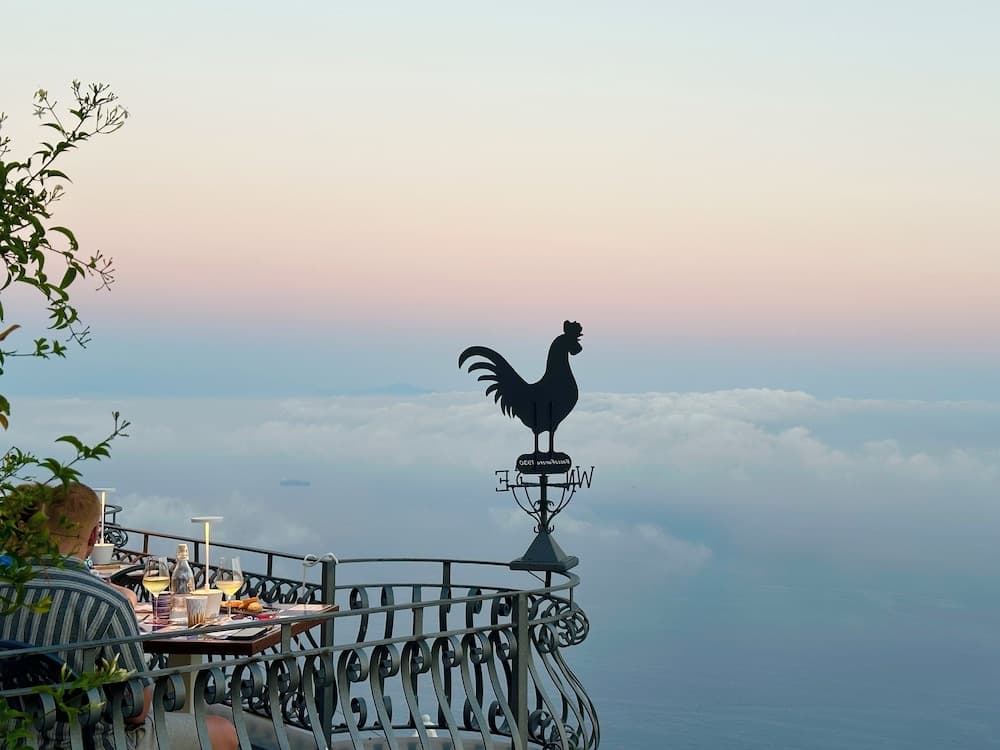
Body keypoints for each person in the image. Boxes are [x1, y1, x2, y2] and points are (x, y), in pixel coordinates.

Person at [0, 482, 238, 750]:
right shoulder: (107, 603)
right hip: (90, 740)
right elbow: (137, 708)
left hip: (13, 738)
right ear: (93, 536)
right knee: (224, 733)